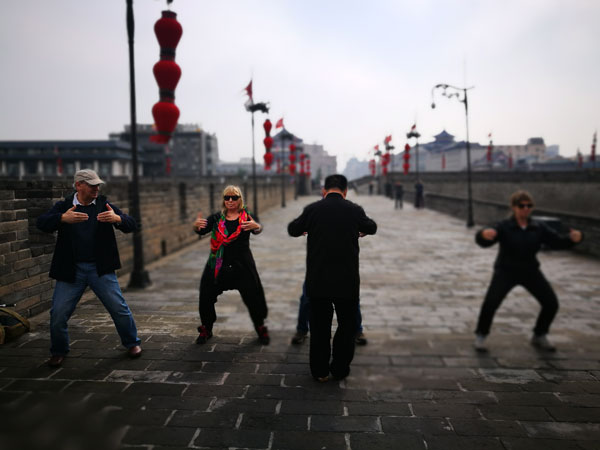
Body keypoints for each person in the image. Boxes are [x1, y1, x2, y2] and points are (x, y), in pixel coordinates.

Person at [36, 169, 142, 367]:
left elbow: (133, 225)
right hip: (71, 270)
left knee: (119, 308)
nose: (96, 188)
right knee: (58, 314)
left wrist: (118, 219)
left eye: (97, 184)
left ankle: (132, 343)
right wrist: (61, 219)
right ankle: (59, 351)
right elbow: (41, 223)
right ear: (78, 185)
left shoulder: (103, 204)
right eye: (92, 184)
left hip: (99, 269)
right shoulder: (65, 206)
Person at [288, 174, 377, 381]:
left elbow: (293, 229)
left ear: (324, 190)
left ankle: (320, 372)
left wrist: (306, 228)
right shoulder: (354, 210)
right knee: (346, 327)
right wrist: (360, 229)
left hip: (318, 280)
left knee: (319, 328)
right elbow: (372, 227)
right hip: (347, 281)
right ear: (345, 192)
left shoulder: (313, 210)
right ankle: (339, 369)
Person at [473, 190, 583, 352]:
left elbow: (557, 242)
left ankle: (539, 334)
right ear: (514, 207)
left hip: (530, 271)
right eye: (521, 206)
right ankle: (481, 335)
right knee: (490, 303)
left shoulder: (538, 227)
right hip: (506, 271)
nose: (525, 209)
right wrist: (482, 234)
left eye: (528, 206)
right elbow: (484, 240)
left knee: (551, 303)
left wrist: (574, 239)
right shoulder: (504, 226)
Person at [193, 185, 269, 345]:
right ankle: (206, 327)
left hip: (242, 262)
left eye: (234, 197)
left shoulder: (247, 216)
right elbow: (202, 229)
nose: (230, 200)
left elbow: (257, 228)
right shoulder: (216, 218)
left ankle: (260, 326)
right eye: (227, 197)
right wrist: (197, 227)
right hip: (218, 262)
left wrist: (258, 227)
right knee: (206, 293)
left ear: (240, 199)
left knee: (253, 294)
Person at [291, 282, 368, 346]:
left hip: (342, 270)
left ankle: (357, 330)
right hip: (319, 270)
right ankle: (301, 330)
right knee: (307, 297)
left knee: (351, 299)